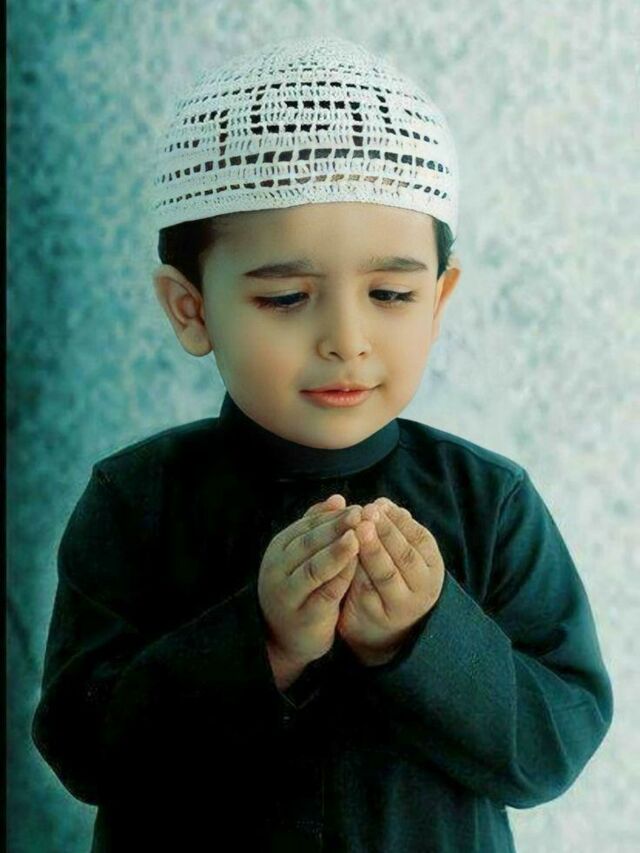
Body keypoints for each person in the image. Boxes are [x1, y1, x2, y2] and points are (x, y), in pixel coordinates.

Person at [31, 35, 614, 853]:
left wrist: (425, 638)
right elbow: (82, 746)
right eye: (286, 297)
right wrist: (261, 641)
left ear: (439, 300)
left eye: (391, 293)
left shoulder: (490, 501)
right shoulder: (138, 499)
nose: (346, 338)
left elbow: (557, 743)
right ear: (191, 309)